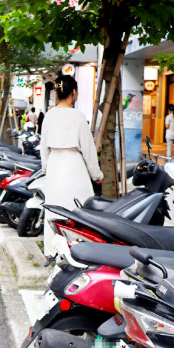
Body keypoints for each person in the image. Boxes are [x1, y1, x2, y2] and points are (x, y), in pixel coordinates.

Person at [40, 73, 103, 261]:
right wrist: (96, 174)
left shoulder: (49, 115)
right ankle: (78, 251)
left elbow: (43, 147)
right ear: (74, 92)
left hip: (54, 166)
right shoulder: (78, 116)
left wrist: (46, 169)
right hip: (75, 166)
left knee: (54, 211)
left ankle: (54, 252)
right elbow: (88, 149)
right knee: (77, 210)